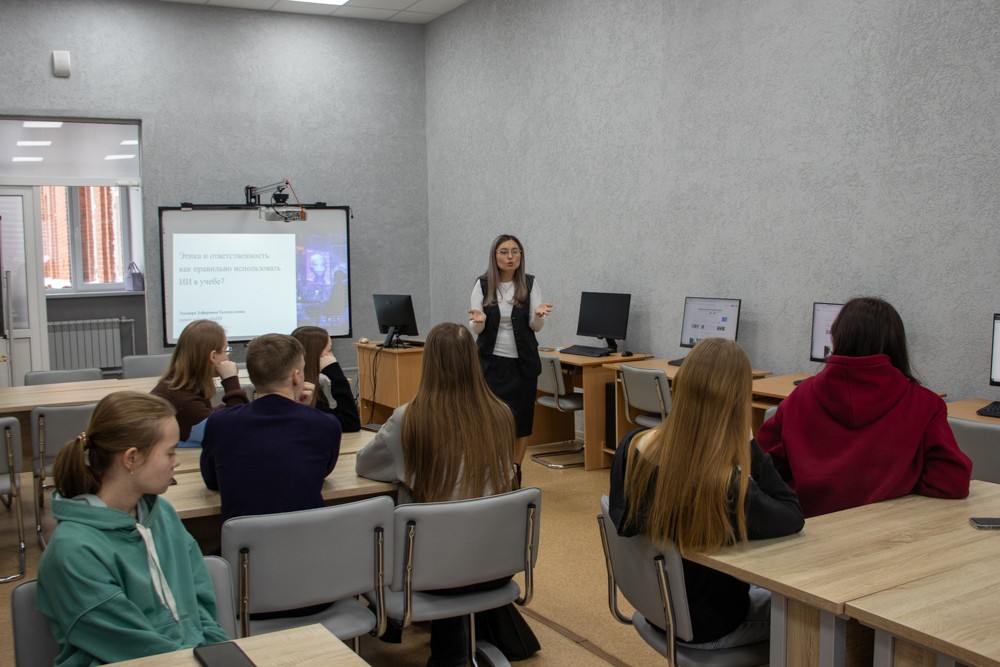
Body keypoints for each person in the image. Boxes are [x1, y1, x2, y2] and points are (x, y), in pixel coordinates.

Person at [609, 338, 804, 649]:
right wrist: (749, 442)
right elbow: (792, 515)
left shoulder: (632, 447)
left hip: (658, 605)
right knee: (809, 617)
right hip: (710, 624)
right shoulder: (725, 487)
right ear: (738, 400)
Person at [356, 322, 530, 666]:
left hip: (427, 572)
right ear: (473, 362)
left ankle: (394, 630)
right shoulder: (501, 414)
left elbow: (366, 466)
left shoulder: (410, 419)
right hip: (495, 564)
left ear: (429, 362)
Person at [37, 392, 230, 667]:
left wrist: (217, 652)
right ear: (131, 458)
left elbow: (201, 603)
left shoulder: (161, 514)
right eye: (170, 452)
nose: (176, 461)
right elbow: (131, 647)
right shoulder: (73, 551)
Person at [757, 296, 972, 517]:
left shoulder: (798, 398)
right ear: (896, 343)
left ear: (837, 337)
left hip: (807, 532)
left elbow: (761, 469)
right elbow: (950, 482)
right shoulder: (924, 404)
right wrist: (904, 481)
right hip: (886, 538)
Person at [200, 333, 341, 525]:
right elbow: (319, 472)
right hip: (308, 544)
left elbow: (212, 481)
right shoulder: (325, 424)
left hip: (245, 550)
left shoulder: (220, 423)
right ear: (296, 376)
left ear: (252, 376)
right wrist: (305, 411)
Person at [468, 234, 553, 470]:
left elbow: (535, 327)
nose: (510, 257)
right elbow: (476, 327)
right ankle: (492, 470)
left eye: (515, 251)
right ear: (495, 256)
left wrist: (538, 315)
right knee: (490, 421)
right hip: (490, 365)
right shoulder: (483, 284)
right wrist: (480, 320)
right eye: (504, 252)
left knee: (522, 422)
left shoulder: (529, 283)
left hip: (522, 365)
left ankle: (515, 470)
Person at [151, 319, 248, 442]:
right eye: (226, 350)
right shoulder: (182, 400)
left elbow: (206, 417)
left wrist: (223, 410)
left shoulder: (178, 386)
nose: (227, 356)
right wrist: (231, 380)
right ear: (213, 356)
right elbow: (238, 430)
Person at [291, 325, 361, 432]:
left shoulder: (307, 386)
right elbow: (350, 423)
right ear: (315, 355)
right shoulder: (305, 393)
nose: (332, 356)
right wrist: (336, 374)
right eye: (329, 351)